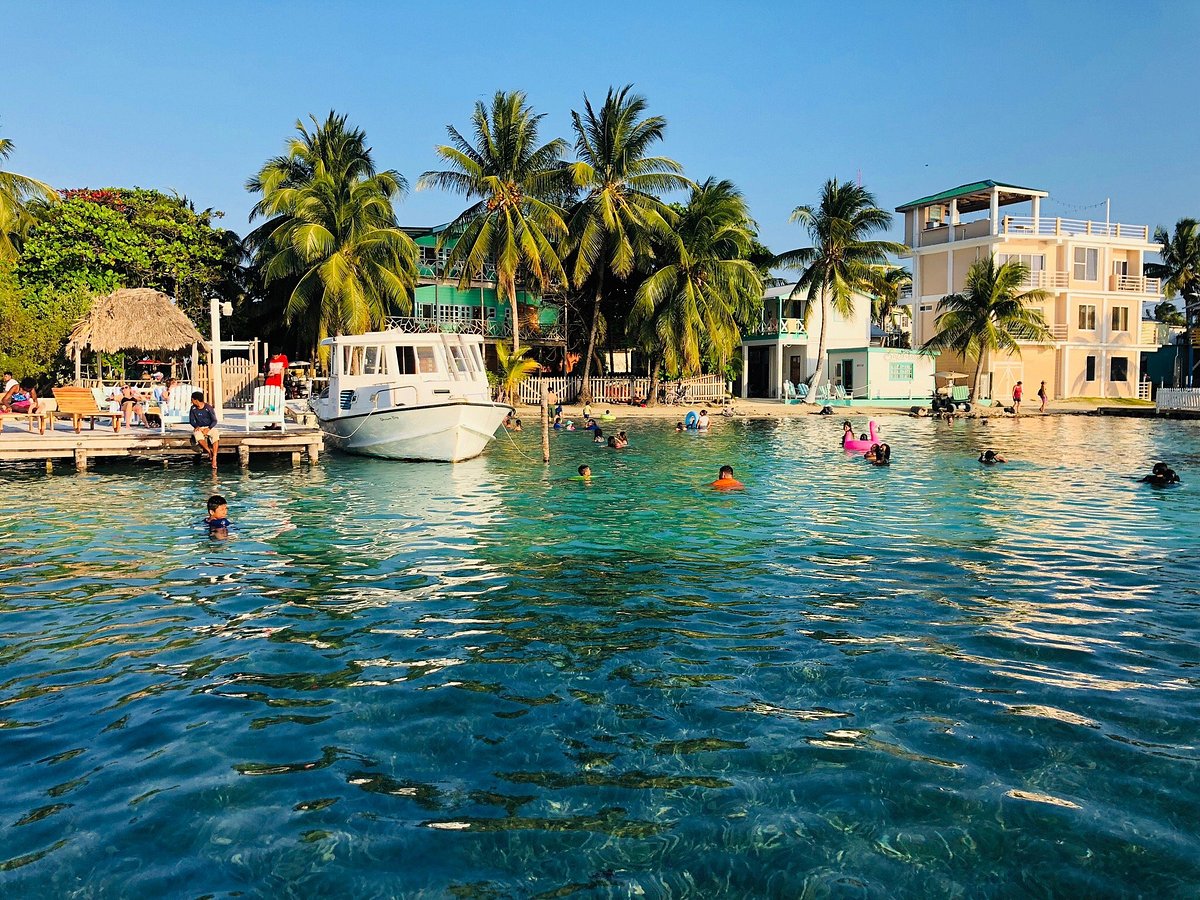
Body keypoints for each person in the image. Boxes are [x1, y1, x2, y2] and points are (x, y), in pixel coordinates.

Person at [189, 391, 220, 468]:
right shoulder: (193, 408)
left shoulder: (208, 408)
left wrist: (209, 428)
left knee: (215, 434)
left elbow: (214, 420)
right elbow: (191, 420)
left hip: (209, 427)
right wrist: (196, 426)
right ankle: (209, 451)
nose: (191, 401)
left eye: (192, 399)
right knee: (197, 435)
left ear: (196, 400)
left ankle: (214, 457)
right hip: (199, 427)